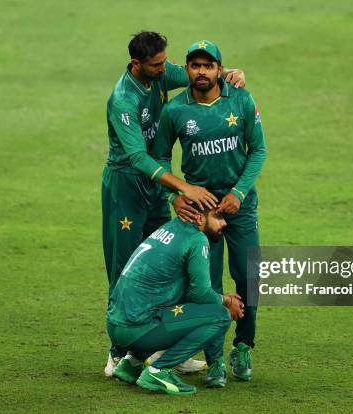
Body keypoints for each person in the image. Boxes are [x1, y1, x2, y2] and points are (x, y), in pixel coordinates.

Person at [102, 31, 246, 376]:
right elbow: (137, 156)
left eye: (166, 61)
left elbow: (203, 73)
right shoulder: (123, 100)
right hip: (127, 185)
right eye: (158, 64)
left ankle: (167, 348)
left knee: (167, 262)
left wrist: (234, 74)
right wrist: (183, 188)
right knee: (126, 266)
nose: (167, 68)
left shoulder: (161, 72)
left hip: (157, 185)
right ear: (137, 64)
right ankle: (118, 353)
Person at [150, 40, 267, 381]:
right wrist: (176, 198)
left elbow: (258, 149)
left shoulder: (241, 99)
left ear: (219, 69)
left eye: (208, 65)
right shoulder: (175, 110)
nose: (201, 71)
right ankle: (214, 358)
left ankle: (243, 345)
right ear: (186, 70)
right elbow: (159, 159)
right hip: (198, 212)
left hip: (239, 206)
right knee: (206, 285)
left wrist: (239, 193)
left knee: (249, 277)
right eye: (194, 65)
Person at [106, 210, 245, 395]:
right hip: (137, 329)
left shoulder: (170, 228)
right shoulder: (196, 239)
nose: (224, 223)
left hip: (116, 325)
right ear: (199, 217)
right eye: (218, 217)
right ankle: (158, 371)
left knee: (173, 304)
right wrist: (227, 301)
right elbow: (200, 294)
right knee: (219, 316)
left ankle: (131, 364)